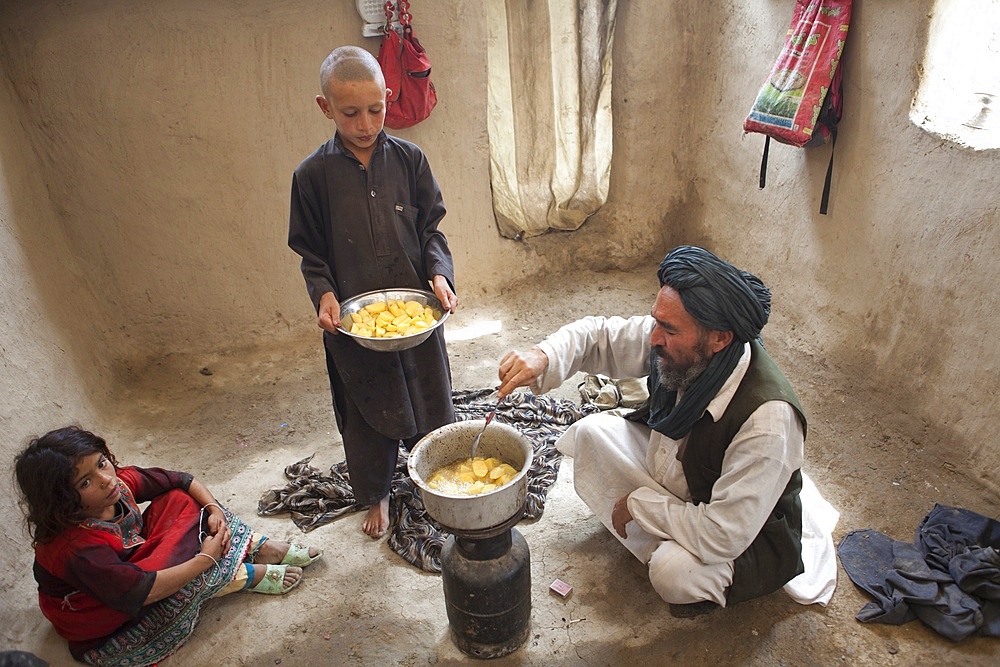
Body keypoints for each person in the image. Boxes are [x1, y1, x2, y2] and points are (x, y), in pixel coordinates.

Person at [496, 245, 838, 616]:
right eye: (656, 321)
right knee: (591, 433)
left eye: (669, 329)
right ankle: (663, 529)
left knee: (674, 573)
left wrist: (640, 506)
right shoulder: (681, 341)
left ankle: (663, 543)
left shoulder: (768, 422)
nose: (655, 337)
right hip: (687, 479)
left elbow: (723, 534)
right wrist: (545, 354)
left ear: (719, 338)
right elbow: (599, 336)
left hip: (736, 531)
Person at [287, 46, 458, 538]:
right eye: (350, 112)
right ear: (326, 108)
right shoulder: (311, 177)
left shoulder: (410, 160)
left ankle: (437, 476)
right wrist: (323, 296)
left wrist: (440, 276)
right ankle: (377, 491)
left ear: (388, 97)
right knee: (365, 411)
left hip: (416, 317)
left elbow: (432, 232)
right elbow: (311, 253)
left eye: (375, 109)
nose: (365, 123)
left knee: (431, 398)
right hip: (354, 324)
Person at [13, 426, 322, 666]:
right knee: (182, 569)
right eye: (85, 482)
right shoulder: (75, 548)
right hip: (100, 613)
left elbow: (180, 480)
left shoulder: (116, 484)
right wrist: (205, 559)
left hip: (128, 563)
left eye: (102, 463)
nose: (106, 479)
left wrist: (214, 509)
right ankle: (240, 575)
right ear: (62, 501)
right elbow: (140, 590)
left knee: (181, 500)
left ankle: (253, 545)